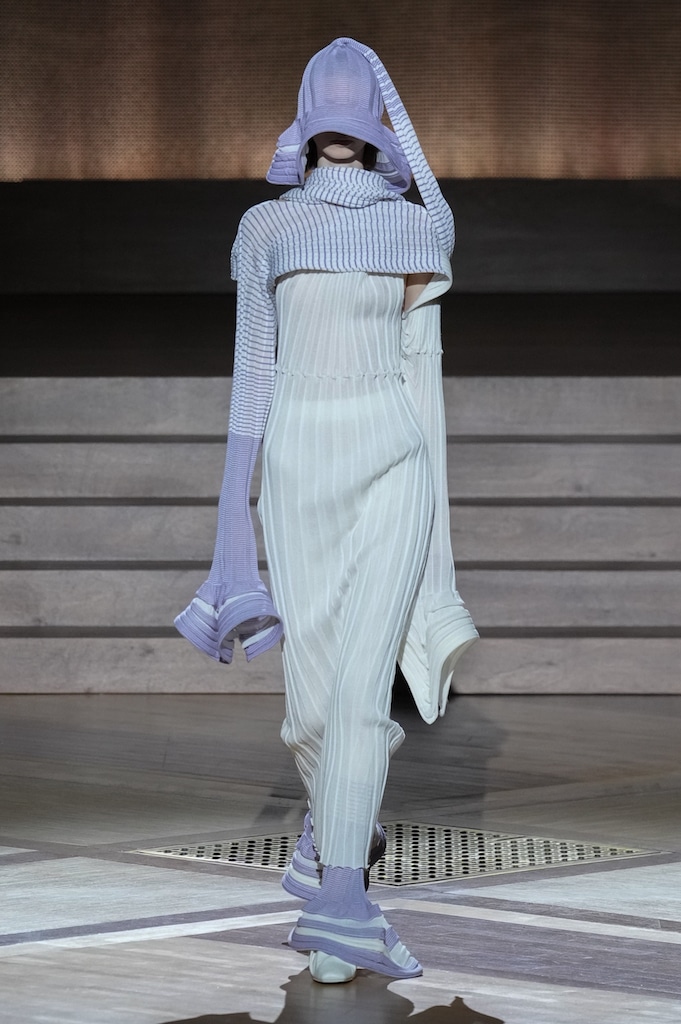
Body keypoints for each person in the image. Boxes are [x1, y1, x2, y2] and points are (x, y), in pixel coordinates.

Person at [175, 37, 478, 983]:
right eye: (329, 107)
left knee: (355, 692)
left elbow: (422, 362)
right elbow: (251, 377)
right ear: (305, 122)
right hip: (299, 463)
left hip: (392, 460)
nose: (343, 127)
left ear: (377, 123)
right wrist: (231, 527)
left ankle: (343, 894)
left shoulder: (413, 228)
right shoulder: (266, 227)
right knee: (309, 709)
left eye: (359, 109)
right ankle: (338, 830)